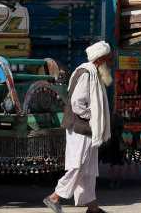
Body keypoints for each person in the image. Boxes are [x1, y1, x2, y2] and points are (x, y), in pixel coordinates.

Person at [44, 41, 113, 213]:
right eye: (108, 59)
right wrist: (93, 117)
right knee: (78, 165)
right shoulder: (86, 74)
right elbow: (77, 103)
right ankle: (54, 197)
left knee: (88, 169)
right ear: (100, 59)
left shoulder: (94, 73)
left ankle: (93, 208)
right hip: (80, 127)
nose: (110, 63)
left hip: (87, 129)